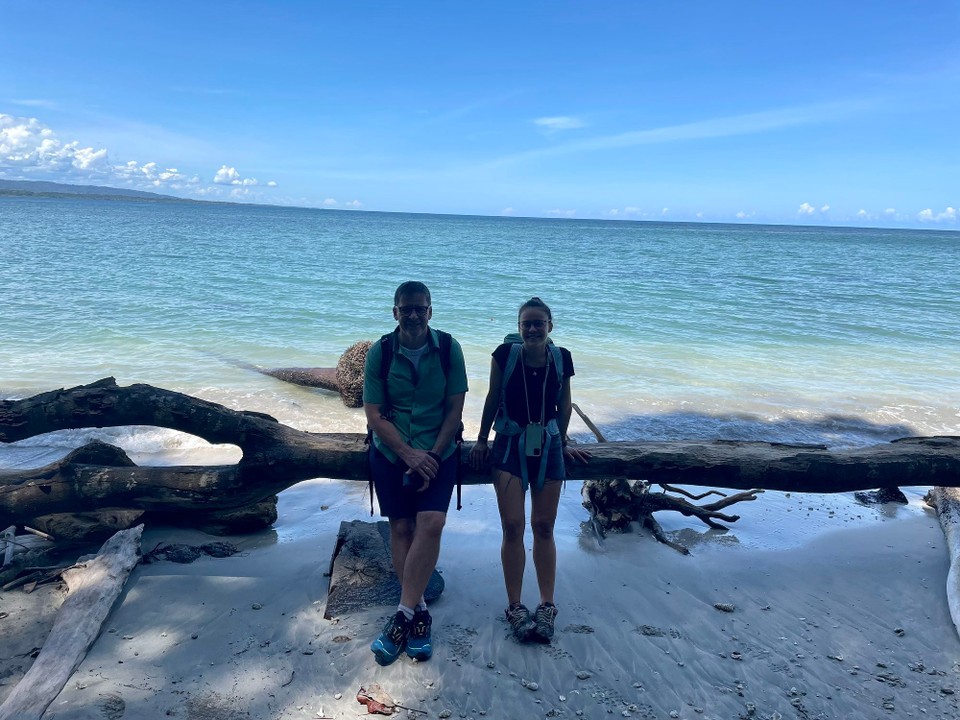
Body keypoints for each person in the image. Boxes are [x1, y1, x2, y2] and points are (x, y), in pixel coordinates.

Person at [470, 297, 589, 643]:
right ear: (519, 327)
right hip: (509, 443)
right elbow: (492, 396)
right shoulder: (504, 355)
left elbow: (564, 403)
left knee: (543, 526)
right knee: (512, 526)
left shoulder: (561, 357)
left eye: (539, 323)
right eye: (527, 324)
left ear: (550, 326)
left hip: (548, 445)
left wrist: (562, 442)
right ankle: (515, 606)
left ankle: (547, 605)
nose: (533, 329)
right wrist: (481, 440)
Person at [364, 281, 468, 666]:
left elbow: (454, 410)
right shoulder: (380, 352)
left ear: (430, 311)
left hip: (439, 450)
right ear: (395, 312)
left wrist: (432, 457)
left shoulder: (449, 349)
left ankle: (402, 616)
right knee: (402, 528)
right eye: (405, 309)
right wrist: (408, 454)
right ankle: (419, 612)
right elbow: (374, 415)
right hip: (392, 452)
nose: (412, 315)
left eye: (419, 308)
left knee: (432, 523)